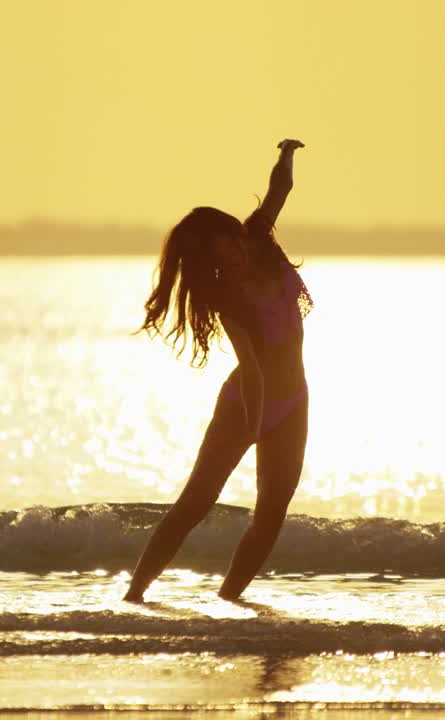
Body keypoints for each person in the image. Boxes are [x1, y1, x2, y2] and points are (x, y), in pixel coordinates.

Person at [125, 138, 312, 601]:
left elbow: (280, 190)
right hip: (244, 403)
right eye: (216, 257)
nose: (228, 258)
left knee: (272, 513)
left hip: (294, 401)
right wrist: (254, 423)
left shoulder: (259, 238)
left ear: (234, 232)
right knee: (196, 502)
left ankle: (230, 599)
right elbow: (251, 367)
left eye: (227, 245)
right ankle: (135, 594)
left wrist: (285, 156)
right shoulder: (226, 294)